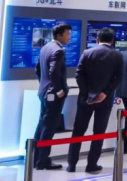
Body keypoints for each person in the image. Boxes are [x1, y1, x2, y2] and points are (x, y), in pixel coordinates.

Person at [67, 28, 124, 173]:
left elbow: (79, 75)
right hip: (105, 100)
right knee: (99, 132)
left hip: (85, 99)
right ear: (112, 41)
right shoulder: (117, 55)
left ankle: (71, 164)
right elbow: (119, 78)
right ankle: (92, 164)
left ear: (97, 39)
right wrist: (104, 93)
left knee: (78, 131)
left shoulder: (87, 53)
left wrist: (87, 94)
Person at [33, 23, 72, 170]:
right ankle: (43, 161)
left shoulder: (46, 47)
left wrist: (44, 85)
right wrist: (58, 90)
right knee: (49, 127)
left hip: (43, 92)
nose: (69, 37)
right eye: (67, 34)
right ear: (59, 35)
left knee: (42, 125)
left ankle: (35, 158)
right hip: (53, 96)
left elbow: (37, 69)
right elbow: (54, 72)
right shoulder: (58, 51)